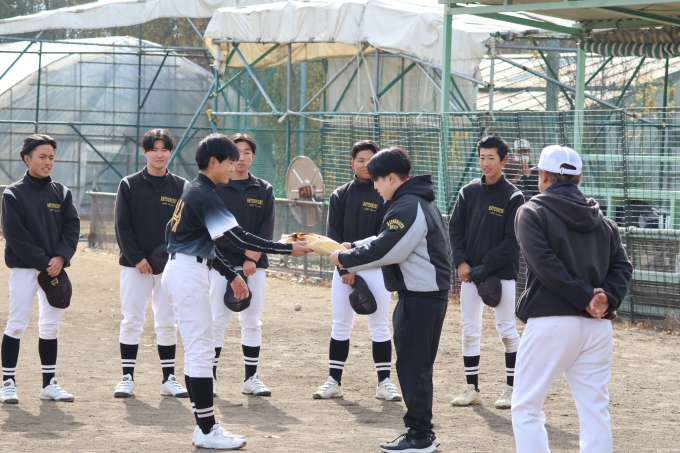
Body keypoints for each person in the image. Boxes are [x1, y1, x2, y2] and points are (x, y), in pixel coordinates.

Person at [162, 133, 311, 450]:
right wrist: (287, 248)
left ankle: (204, 427)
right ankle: (207, 430)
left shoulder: (196, 190)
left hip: (186, 270)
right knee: (201, 353)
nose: (234, 167)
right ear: (213, 162)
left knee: (199, 352)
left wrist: (231, 275)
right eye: (230, 162)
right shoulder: (204, 194)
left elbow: (205, 243)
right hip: (187, 273)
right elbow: (239, 238)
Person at [512, 145, 632, 453]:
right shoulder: (604, 221)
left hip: (551, 321)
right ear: (578, 178)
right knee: (594, 409)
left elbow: (545, 264)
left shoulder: (531, 212)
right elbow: (622, 267)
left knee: (526, 407)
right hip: (598, 326)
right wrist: (606, 298)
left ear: (543, 175)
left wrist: (584, 296)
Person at [329, 148, 451, 453]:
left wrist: (345, 258)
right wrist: (354, 245)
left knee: (413, 366)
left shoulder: (407, 204)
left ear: (392, 178)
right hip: (424, 295)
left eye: (377, 180)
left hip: (421, 297)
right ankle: (422, 431)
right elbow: (386, 239)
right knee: (417, 364)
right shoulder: (413, 201)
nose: (374, 186)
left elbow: (388, 250)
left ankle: (420, 435)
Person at [313, 140, 401, 402]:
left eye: (370, 161)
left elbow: (384, 237)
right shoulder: (340, 195)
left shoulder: (385, 194)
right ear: (352, 163)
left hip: (376, 269)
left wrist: (357, 261)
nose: (365, 165)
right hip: (344, 269)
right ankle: (334, 382)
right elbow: (333, 237)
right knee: (341, 325)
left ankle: (384, 383)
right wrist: (344, 269)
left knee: (380, 326)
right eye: (360, 160)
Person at [1, 134, 80, 403]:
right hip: (25, 268)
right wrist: (45, 262)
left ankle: (49, 384)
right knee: (17, 324)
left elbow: (71, 228)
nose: (48, 162)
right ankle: (8, 383)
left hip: (55, 269)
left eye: (52, 158)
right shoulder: (13, 193)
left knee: (50, 326)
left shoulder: (62, 192)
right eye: (42, 157)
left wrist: (61, 257)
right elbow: (15, 235)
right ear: (27, 159)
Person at [113, 129, 190, 399]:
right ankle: (127, 378)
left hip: (170, 267)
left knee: (167, 321)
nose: (159, 154)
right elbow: (122, 226)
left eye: (164, 149)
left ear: (171, 152)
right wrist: (137, 258)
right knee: (132, 319)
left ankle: (169, 379)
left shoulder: (182, 186)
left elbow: (186, 226)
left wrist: (174, 258)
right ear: (144, 152)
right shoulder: (129, 184)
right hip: (135, 266)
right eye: (154, 149)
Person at [448, 135, 523, 410]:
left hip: (500, 275)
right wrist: (461, 262)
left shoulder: (514, 196)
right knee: (470, 330)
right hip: (470, 274)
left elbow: (513, 241)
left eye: (491, 157)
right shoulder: (468, 192)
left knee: (506, 330)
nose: (485, 163)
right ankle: (472, 389)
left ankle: (513, 389)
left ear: (504, 160)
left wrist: (486, 266)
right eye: (482, 157)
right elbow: (455, 229)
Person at [209, 133, 275, 397]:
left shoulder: (264, 189)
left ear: (253, 156)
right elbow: (214, 231)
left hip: (255, 266)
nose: (242, 157)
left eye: (247, 152)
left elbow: (266, 229)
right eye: (236, 152)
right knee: (217, 320)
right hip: (220, 265)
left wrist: (252, 258)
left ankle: (251, 378)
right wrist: (241, 253)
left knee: (251, 321)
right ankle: (210, 377)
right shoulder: (216, 188)